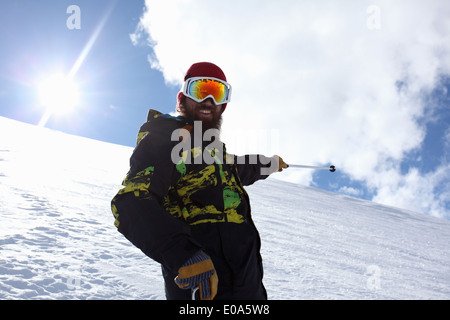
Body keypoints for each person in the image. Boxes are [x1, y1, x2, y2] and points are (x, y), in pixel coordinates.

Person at [111, 62, 287, 300]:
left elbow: (242, 167)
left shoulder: (215, 152)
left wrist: (271, 163)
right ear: (182, 97)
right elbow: (131, 201)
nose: (209, 101)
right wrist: (185, 255)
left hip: (248, 287)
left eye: (218, 94)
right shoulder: (166, 138)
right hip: (201, 285)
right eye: (200, 90)